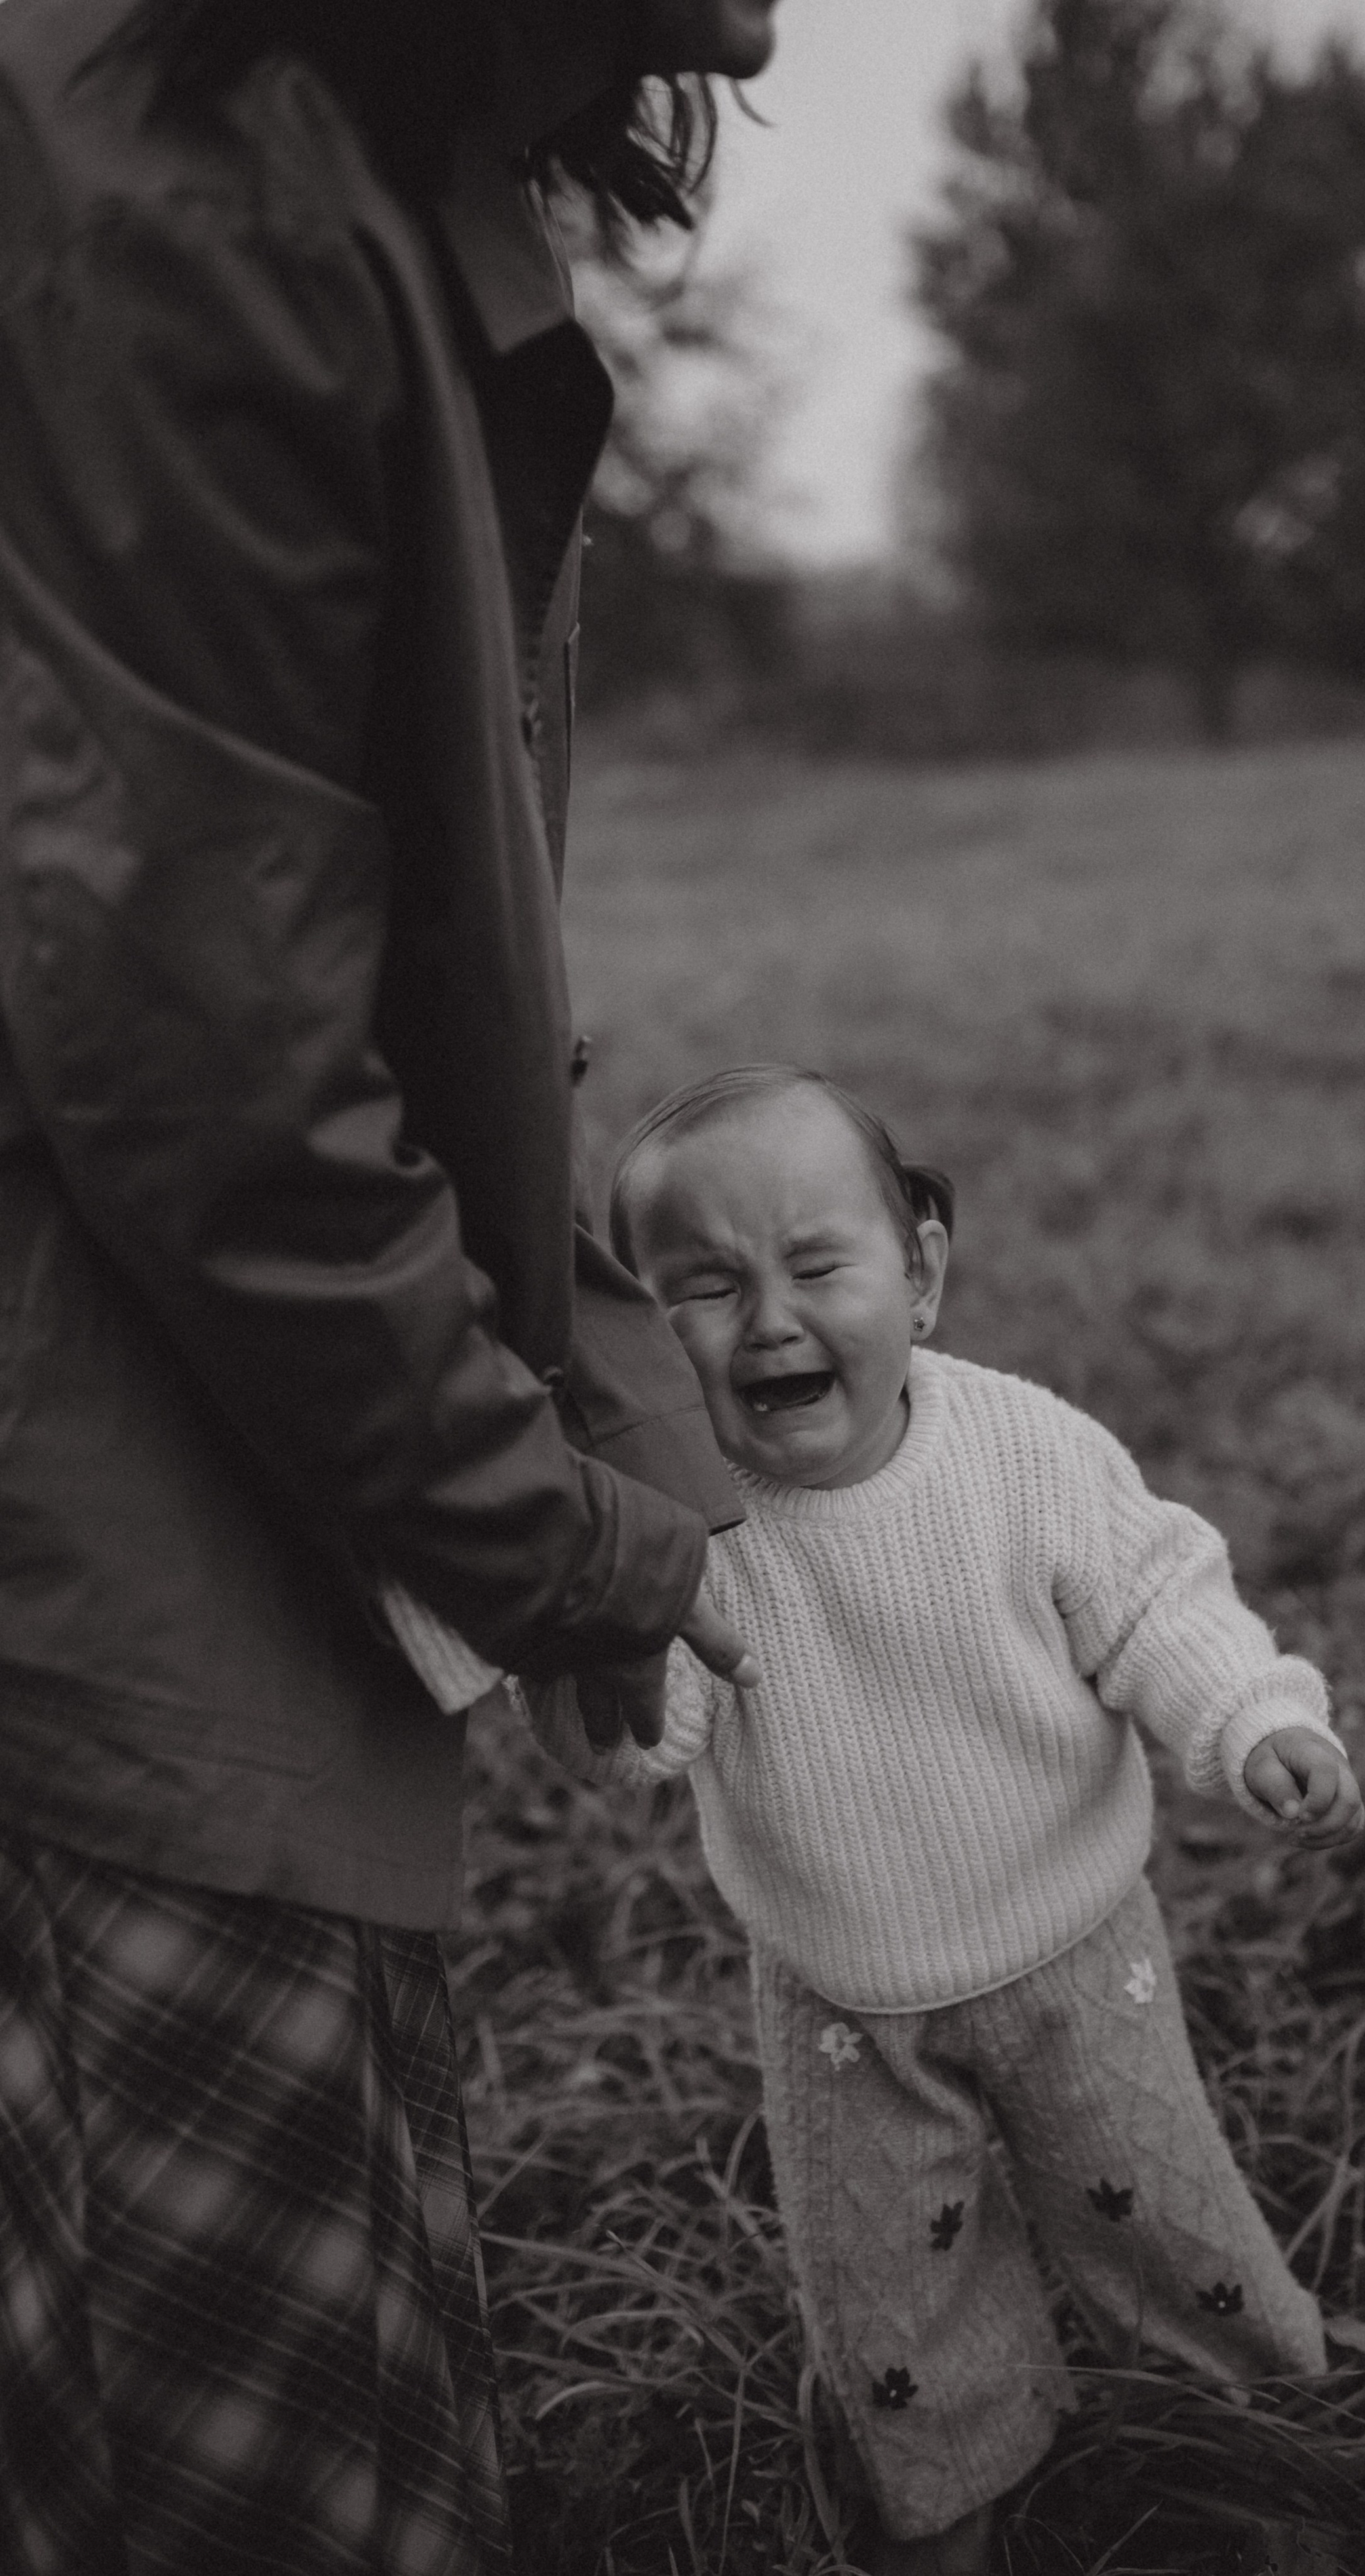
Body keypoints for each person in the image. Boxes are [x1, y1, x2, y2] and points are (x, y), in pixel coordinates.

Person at [0, 5, 773, 2571]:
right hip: (98, 1570)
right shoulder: (180, 185)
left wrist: (627, 1441)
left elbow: (415, 960)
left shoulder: (398, 188)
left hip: (205, 1489)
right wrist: (567, 1541)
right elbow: (204, 1051)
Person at [555, 1063, 1365, 2576]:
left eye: (816, 1265)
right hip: (838, 1997)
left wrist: (1252, 1720)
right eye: (705, 1290)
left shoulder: (1021, 1454)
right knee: (889, 2295)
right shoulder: (681, 1520)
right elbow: (646, 1738)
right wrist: (585, 1627)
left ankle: (1264, 2431)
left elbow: (1154, 1601)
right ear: (638, 1340)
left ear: (918, 1274)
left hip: (1074, 1951)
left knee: (1166, 2222)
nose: (770, 1321)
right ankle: (948, 2506)